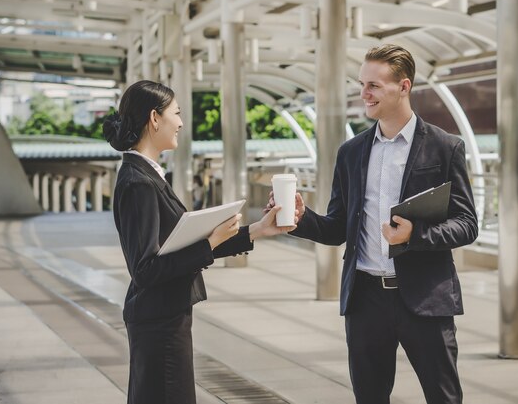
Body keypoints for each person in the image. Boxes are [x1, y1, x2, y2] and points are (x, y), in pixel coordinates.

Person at [269, 45, 478, 403]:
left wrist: (417, 234)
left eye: (374, 86)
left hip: (426, 299)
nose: (364, 94)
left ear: (404, 86)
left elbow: (467, 223)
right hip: (366, 300)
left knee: (444, 397)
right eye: (362, 84)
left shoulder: (446, 147)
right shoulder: (351, 152)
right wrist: (301, 220)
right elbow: (337, 228)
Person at [103, 80, 296, 404]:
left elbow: (178, 246)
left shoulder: (147, 175)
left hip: (163, 316)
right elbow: (146, 270)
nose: (180, 123)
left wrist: (258, 230)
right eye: (176, 114)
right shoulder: (140, 183)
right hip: (159, 323)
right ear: (154, 118)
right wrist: (208, 245)